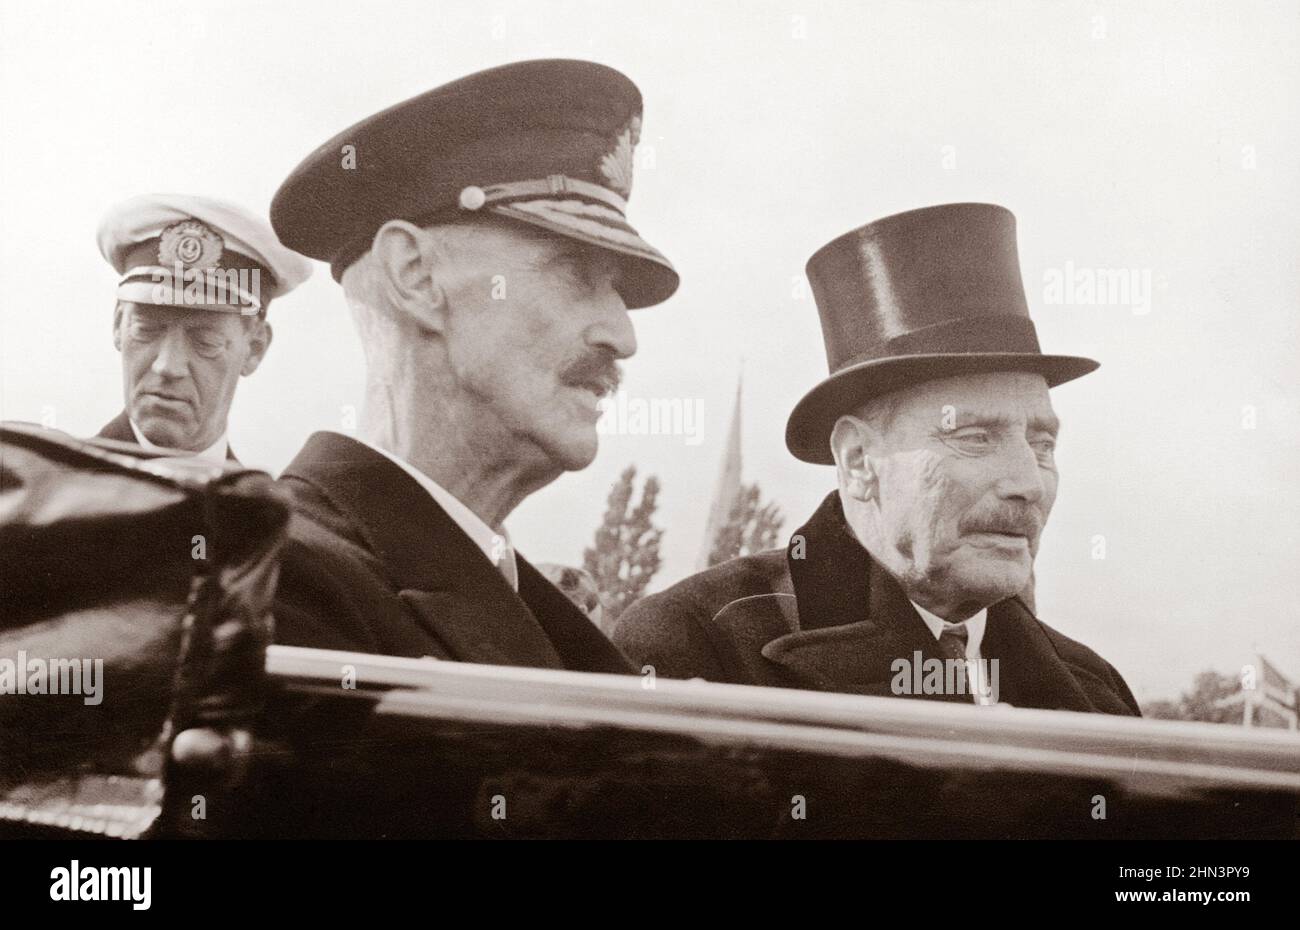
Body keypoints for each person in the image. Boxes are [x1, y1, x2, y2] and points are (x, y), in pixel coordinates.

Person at [614, 203, 1140, 715]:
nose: (1029, 482)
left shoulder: (1095, 691)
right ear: (860, 459)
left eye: (1042, 444)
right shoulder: (702, 647)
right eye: (976, 437)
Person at [268, 60, 677, 670]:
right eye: (572, 270)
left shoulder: (545, 616)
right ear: (416, 274)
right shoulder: (276, 587)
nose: (622, 335)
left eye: (615, 286)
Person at [95, 194, 311, 464]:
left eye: (205, 342)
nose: (167, 367)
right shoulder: (45, 496)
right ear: (118, 325)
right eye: (146, 330)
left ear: (254, 349)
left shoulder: (267, 505)